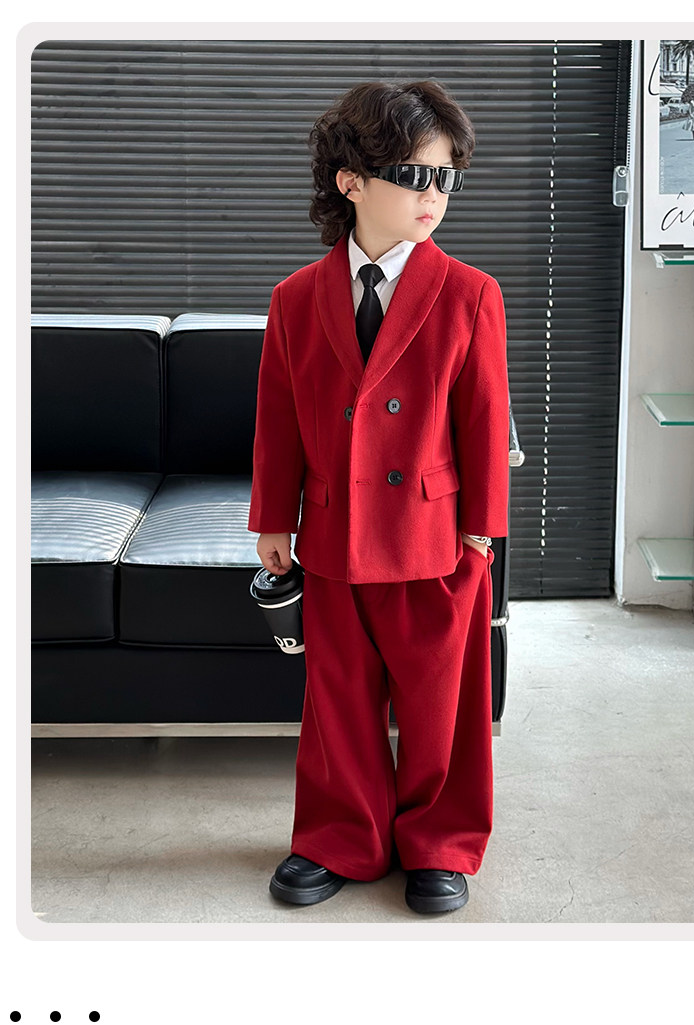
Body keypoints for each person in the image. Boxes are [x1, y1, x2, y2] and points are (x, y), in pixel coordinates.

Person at [247, 80, 511, 914]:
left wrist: (483, 531)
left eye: (446, 177)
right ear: (351, 181)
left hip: (436, 537)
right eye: (414, 175)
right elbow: (279, 419)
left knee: (442, 703)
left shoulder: (470, 293)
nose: (434, 195)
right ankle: (340, 836)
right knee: (338, 700)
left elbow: (485, 418)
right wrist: (273, 518)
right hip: (334, 533)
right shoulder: (295, 298)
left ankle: (440, 842)